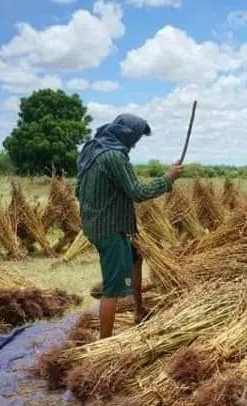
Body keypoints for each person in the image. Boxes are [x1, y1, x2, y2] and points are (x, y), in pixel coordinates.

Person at [75, 113, 183, 338]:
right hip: (109, 229)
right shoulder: (114, 156)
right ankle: (104, 342)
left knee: (136, 258)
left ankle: (139, 310)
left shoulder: (92, 150)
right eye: (135, 138)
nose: (134, 144)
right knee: (113, 288)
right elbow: (137, 192)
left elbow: (78, 191)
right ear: (127, 135)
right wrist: (167, 179)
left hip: (106, 223)